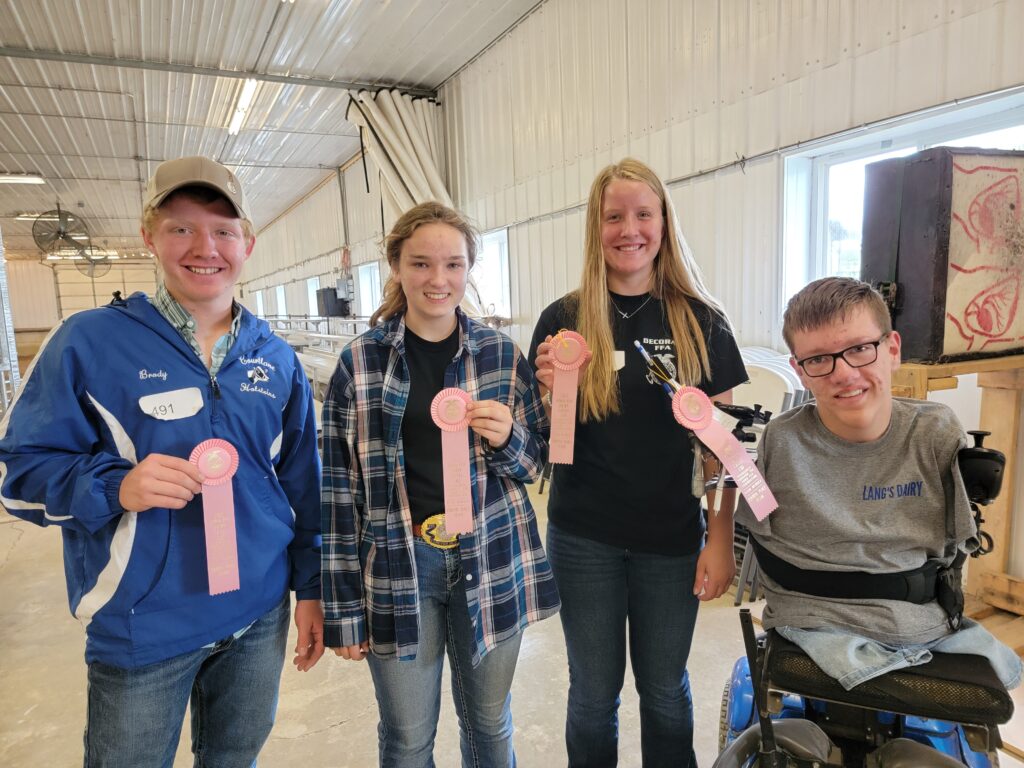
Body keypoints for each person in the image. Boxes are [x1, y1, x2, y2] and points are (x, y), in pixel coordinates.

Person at [0, 156, 324, 767]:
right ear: (149, 236)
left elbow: (304, 484)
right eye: (182, 228)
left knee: (234, 759)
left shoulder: (275, 358)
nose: (206, 247)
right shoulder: (87, 342)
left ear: (248, 244)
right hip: (143, 624)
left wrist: (310, 588)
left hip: (258, 613)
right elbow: (22, 475)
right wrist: (117, 487)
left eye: (224, 231)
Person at [321, 201, 559, 768]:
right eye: (422, 264)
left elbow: (539, 465)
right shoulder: (358, 365)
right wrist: (343, 610)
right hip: (401, 568)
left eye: (453, 265)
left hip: (493, 559)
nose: (438, 279)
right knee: (407, 739)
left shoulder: (501, 354)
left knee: (489, 726)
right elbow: (336, 493)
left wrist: (509, 440)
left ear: (468, 270)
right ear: (397, 268)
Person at [530, 157, 748, 767]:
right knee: (593, 697)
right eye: (614, 216)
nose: (630, 229)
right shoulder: (563, 321)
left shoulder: (703, 321)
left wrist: (721, 537)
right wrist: (546, 394)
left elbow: (720, 448)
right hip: (583, 538)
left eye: (643, 214)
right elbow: (544, 442)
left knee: (664, 692)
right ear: (595, 228)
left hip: (671, 538)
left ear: (663, 223)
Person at [735, 276, 1021, 691]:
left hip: (918, 620)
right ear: (800, 371)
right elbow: (757, 525)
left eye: (859, 349)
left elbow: (957, 544)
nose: (844, 374)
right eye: (819, 359)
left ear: (892, 349)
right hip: (811, 619)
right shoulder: (782, 439)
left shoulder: (936, 433)